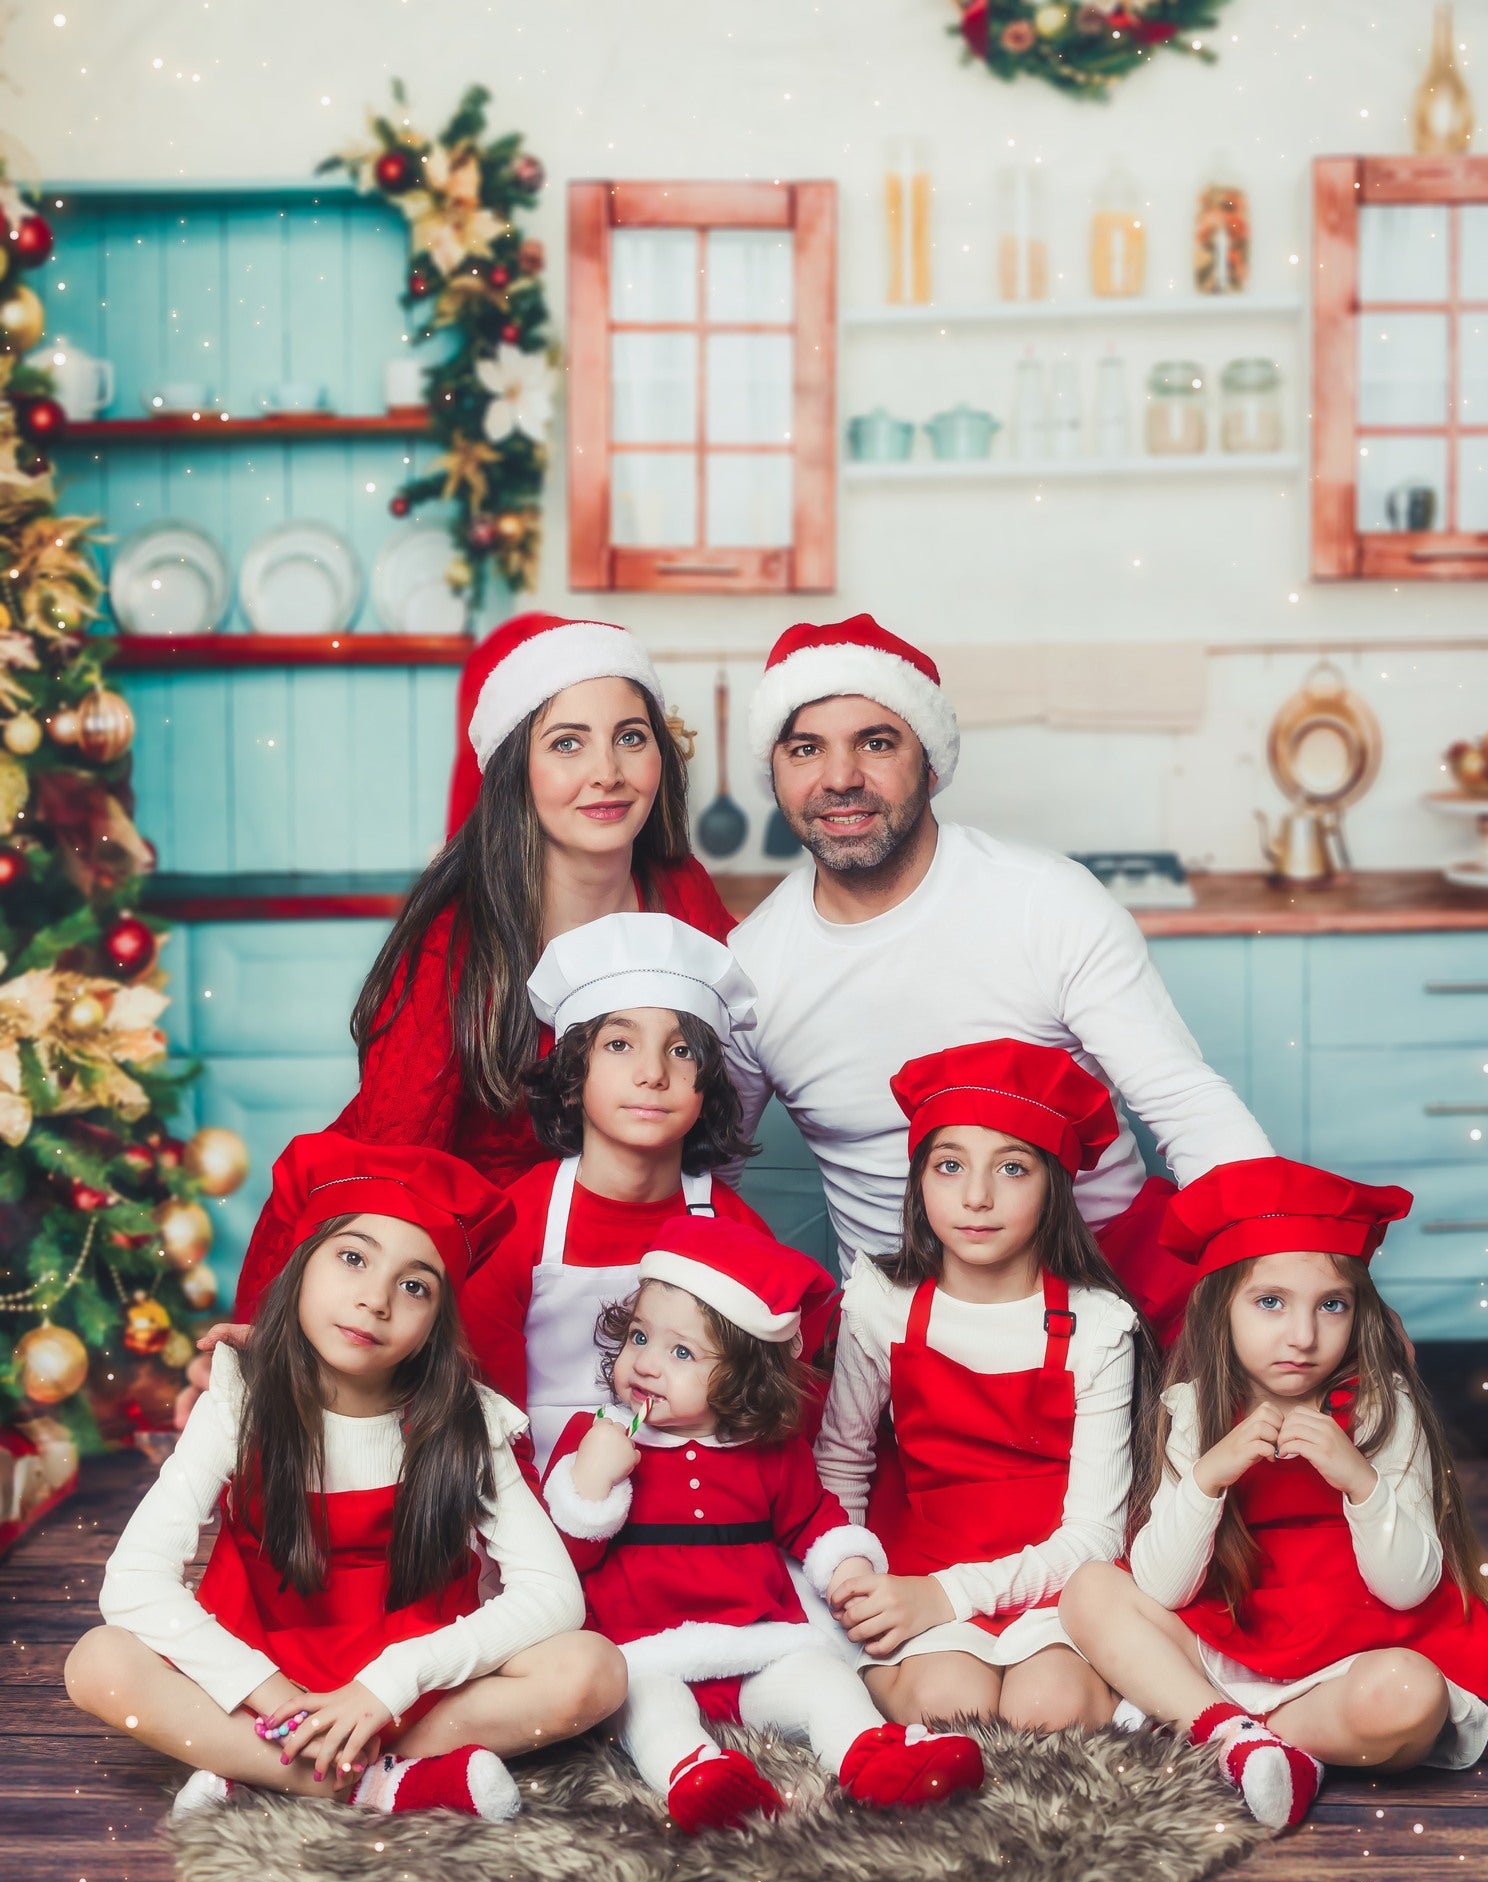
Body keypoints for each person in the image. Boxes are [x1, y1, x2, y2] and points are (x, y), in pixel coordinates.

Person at [726, 613, 1274, 1344]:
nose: (841, 778)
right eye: (806, 749)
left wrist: (1288, 1257)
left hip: (1107, 1288)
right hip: (905, 1332)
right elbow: (707, 1177)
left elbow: (1186, 1106)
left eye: (877, 742)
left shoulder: (1046, 901)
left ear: (931, 761)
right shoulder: (751, 966)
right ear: (778, 774)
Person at [65, 1134, 622, 1822]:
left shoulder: (464, 1420)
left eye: (414, 1285)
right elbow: (134, 1580)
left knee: (592, 1673)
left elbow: (551, 1595)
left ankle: (267, 1766)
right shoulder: (241, 1395)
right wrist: (268, 1692)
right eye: (352, 1258)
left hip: (404, 1688)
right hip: (259, 1672)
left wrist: (389, 1685)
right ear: (301, 1268)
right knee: (97, 1663)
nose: (375, 1300)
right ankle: (371, 1781)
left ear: (434, 1323)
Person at [230, 613, 733, 1321]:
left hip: (638, 1248)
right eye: (567, 744)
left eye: (630, 737)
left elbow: (732, 1073)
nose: (608, 774)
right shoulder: (456, 940)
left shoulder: (682, 892)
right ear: (513, 772)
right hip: (464, 1258)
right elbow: (390, 1167)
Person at [1058, 1158, 1488, 1831]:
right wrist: (1210, 1477)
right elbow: (1163, 1589)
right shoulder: (1193, 1407)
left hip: (1353, 1653)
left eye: (1331, 1305)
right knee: (1089, 1590)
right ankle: (1239, 1738)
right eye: (1270, 1302)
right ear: (1221, 1309)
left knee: (1412, 1700)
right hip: (1229, 1636)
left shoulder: (1386, 1405)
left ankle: (1231, 1733)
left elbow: (1408, 1588)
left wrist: (1359, 1478)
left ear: (1358, 1311)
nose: (1302, 1336)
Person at [541, 1216, 986, 1833]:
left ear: (743, 1375)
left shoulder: (766, 1450)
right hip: (644, 1651)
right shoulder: (595, 1439)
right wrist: (589, 1483)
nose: (644, 1364)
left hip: (757, 1644)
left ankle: (873, 1756)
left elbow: (812, 1519)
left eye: (680, 1353)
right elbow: (562, 1563)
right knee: (649, 1709)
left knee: (824, 1683)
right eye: (639, 1337)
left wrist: (847, 1564)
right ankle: (695, 1774)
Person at [816, 1040, 1148, 1732]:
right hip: (920, 1558)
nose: (976, 1197)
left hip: (1057, 1573)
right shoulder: (882, 1303)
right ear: (920, 1179)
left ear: (1053, 1183)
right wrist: (850, 1577)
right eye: (950, 1166)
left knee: (1045, 1709)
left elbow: (1093, 1533)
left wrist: (948, 1596)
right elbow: (843, 1460)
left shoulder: (1099, 1325)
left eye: (1013, 1168)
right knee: (949, 1703)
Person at [459, 911, 775, 1467]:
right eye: (619, 1045)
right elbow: (486, 1407)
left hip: (693, 1506)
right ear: (573, 1078)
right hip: (538, 1493)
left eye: (681, 1051)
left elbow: (776, 1391)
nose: (653, 1073)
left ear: (708, 1085)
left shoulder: (733, 1230)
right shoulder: (516, 1222)